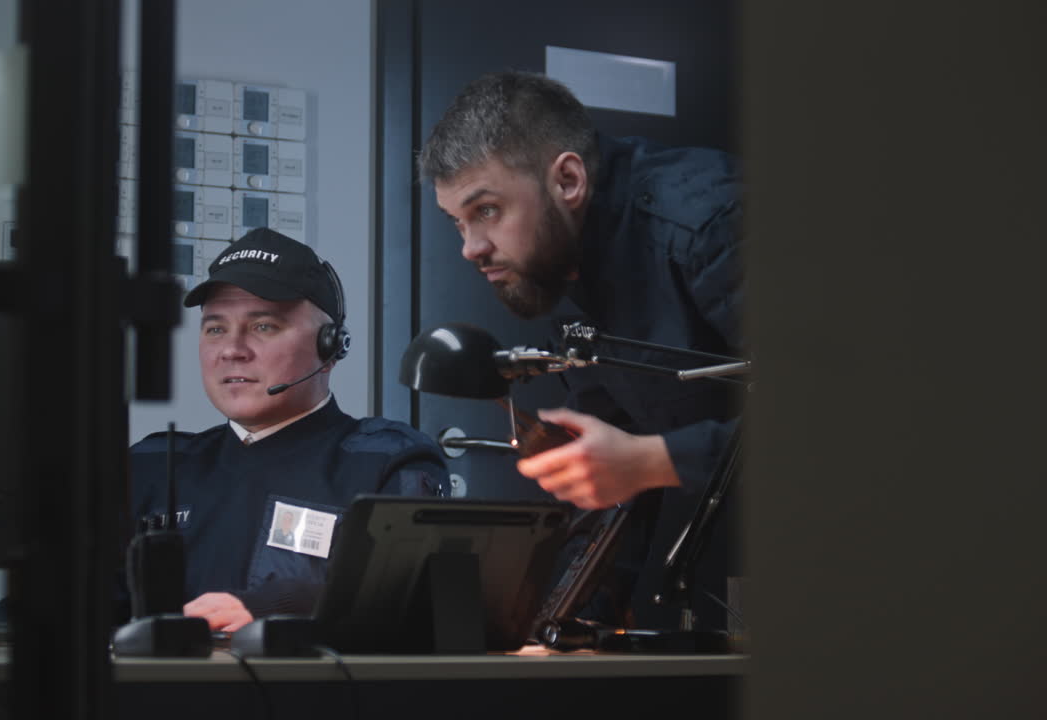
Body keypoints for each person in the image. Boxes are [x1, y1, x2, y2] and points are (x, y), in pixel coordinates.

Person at [419, 71, 743, 628]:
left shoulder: (709, 222)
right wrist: (549, 624)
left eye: (487, 210)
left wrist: (653, 462)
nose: (471, 248)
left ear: (567, 179)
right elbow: (611, 486)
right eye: (457, 222)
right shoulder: (558, 261)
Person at [128, 227, 449, 633]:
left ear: (331, 348)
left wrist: (271, 607)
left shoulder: (387, 460)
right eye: (215, 329)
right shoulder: (155, 465)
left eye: (263, 326)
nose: (232, 349)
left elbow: (411, 594)